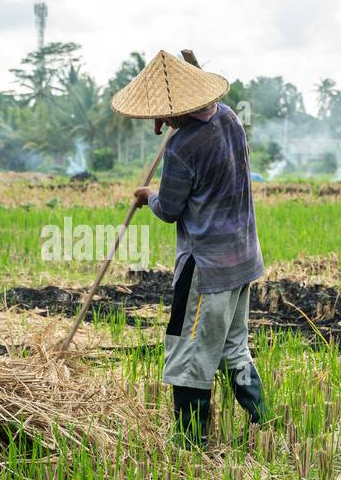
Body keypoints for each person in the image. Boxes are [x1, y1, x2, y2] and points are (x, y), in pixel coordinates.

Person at [110, 50, 268, 446]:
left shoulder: (182, 148)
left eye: (161, 115)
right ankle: (264, 423)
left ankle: (190, 444)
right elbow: (202, 120)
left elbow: (170, 209)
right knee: (235, 347)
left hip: (207, 267)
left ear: (173, 112)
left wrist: (149, 196)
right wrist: (176, 120)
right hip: (243, 258)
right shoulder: (230, 118)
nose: (158, 123)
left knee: (189, 355)